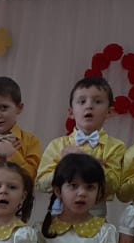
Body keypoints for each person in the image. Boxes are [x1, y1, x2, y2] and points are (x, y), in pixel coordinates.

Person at [36, 77, 125, 214]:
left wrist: (84, 157)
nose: (89, 106)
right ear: (71, 112)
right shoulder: (57, 145)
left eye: (97, 101)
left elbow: (113, 186)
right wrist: (64, 167)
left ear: (109, 112)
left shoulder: (116, 147)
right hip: (59, 214)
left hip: (95, 215)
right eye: (82, 101)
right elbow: (41, 184)